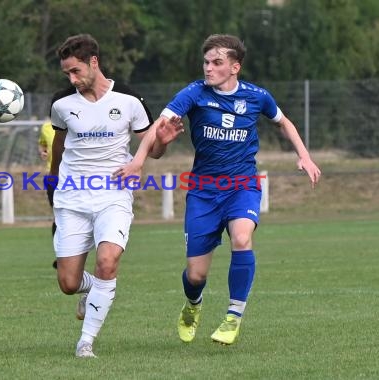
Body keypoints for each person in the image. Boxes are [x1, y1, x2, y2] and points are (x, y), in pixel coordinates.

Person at [118, 34, 321, 346]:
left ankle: (233, 316)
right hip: (203, 191)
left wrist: (304, 156)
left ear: (234, 67)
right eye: (206, 62)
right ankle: (193, 305)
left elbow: (285, 123)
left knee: (242, 238)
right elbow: (158, 126)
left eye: (217, 63)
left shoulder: (257, 96)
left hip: (242, 185)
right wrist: (140, 160)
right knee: (196, 275)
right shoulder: (194, 93)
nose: (208, 68)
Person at [49, 34, 175, 358]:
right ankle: (92, 288)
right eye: (67, 74)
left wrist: (162, 141)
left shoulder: (129, 99)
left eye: (76, 71)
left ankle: (85, 342)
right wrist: (52, 185)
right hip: (72, 197)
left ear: (94, 62)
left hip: (113, 194)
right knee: (67, 282)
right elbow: (59, 148)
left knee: (107, 262)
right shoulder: (62, 104)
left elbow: (154, 150)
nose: (72, 79)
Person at [38, 119, 59, 269]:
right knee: (59, 216)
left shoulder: (78, 121)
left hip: (76, 177)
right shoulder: (46, 126)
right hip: (53, 177)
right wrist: (43, 151)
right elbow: (43, 144)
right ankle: (61, 255)